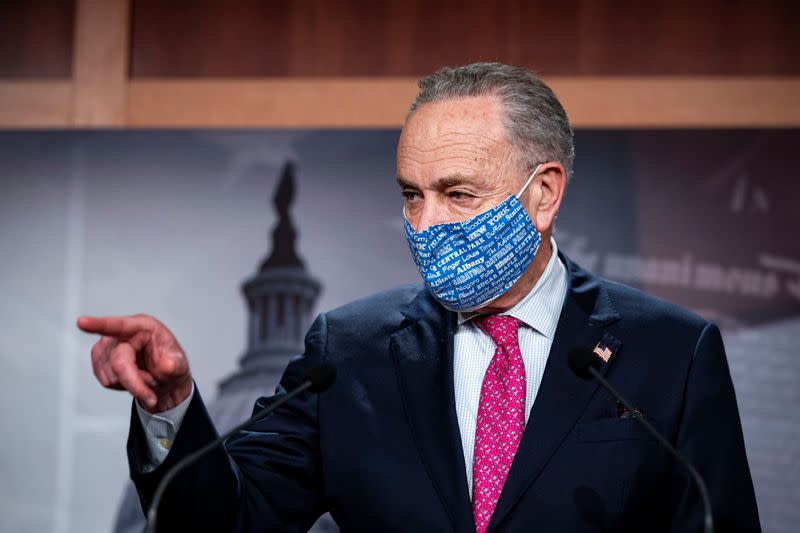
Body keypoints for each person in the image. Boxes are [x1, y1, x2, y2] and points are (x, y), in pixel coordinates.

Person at [78, 62, 761, 532]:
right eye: (412, 194)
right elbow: (227, 519)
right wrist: (171, 408)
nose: (426, 222)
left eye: (458, 193)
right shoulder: (347, 352)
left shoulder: (671, 351)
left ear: (545, 192)